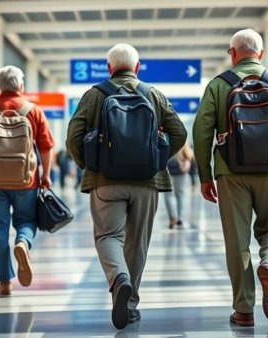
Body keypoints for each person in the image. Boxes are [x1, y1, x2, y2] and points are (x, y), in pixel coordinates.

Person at [192, 29, 268, 326]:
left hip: (231, 173)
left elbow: (201, 131)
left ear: (232, 53)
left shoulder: (219, 85)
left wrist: (206, 176)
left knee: (237, 241)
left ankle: (243, 310)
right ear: (261, 53)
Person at [65, 43, 187, 329]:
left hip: (106, 181)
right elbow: (179, 133)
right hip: (147, 182)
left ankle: (119, 279)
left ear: (109, 68)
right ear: (137, 67)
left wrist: (92, 164)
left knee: (108, 236)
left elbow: (73, 137)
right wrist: (156, 158)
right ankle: (130, 305)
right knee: (137, 243)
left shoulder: (95, 95)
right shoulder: (153, 94)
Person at [0, 65, 54, 297]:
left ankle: (5, 282)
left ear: (0, 86)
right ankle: (23, 243)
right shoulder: (33, 111)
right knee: (27, 220)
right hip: (26, 180)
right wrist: (46, 175)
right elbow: (46, 146)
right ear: (21, 86)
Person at [164, 143, 194, 229]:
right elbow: (189, 155)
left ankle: (173, 216)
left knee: (168, 194)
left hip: (167, 169)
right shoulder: (183, 141)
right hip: (180, 170)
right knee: (180, 194)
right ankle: (180, 218)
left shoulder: (165, 138)